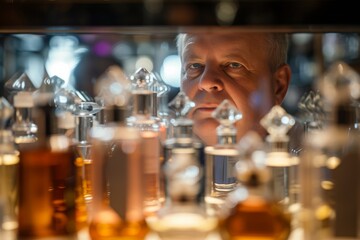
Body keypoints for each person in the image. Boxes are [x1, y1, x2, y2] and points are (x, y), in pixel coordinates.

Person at [177, 31, 302, 150]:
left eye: (234, 65)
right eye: (194, 66)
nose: (206, 82)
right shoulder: (163, 156)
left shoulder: (313, 160)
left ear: (278, 85)